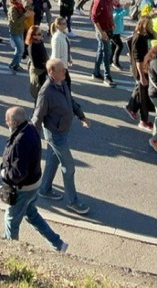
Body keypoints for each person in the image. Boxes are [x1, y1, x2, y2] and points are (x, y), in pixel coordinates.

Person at [1, 106, 68, 252]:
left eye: (8, 120)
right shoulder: (30, 129)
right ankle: (58, 244)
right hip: (33, 184)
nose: (6, 123)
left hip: (23, 189)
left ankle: (10, 250)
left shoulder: (20, 141)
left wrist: (4, 175)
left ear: (15, 122)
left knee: (11, 220)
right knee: (31, 214)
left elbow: (18, 173)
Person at [34, 59, 91, 215]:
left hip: (62, 131)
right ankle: (73, 202)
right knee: (69, 167)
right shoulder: (46, 92)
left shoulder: (62, 83)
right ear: (51, 72)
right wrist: (32, 138)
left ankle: (44, 189)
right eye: (61, 70)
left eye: (64, 69)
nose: (65, 72)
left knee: (53, 161)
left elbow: (70, 101)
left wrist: (81, 116)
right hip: (55, 134)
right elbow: (38, 116)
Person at [125, 16, 156, 131]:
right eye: (150, 25)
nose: (152, 27)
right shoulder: (138, 38)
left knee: (141, 91)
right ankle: (144, 121)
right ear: (144, 25)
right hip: (141, 70)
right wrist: (142, 76)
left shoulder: (145, 35)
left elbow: (154, 37)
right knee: (144, 97)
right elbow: (138, 59)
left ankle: (131, 107)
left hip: (146, 68)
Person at [89, 0, 117, 86]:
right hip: (102, 31)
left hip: (108, 29)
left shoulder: (109, 0)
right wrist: (102, 32)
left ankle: (96, 73)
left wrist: (112, 24)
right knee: (107, 53)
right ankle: (107, 76)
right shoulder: (99, 0)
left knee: (101, 51)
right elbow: (94, 18)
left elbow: (110, 13)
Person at [7, 0, 28, 74]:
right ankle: (12, 65)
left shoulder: (20, 7)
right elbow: (15, 21)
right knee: (21, 50)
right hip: (15, 31)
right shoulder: (13, 9)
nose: (20, 0)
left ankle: (17, 65)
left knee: (18, 50)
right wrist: (24, 16)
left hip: (20, 31)